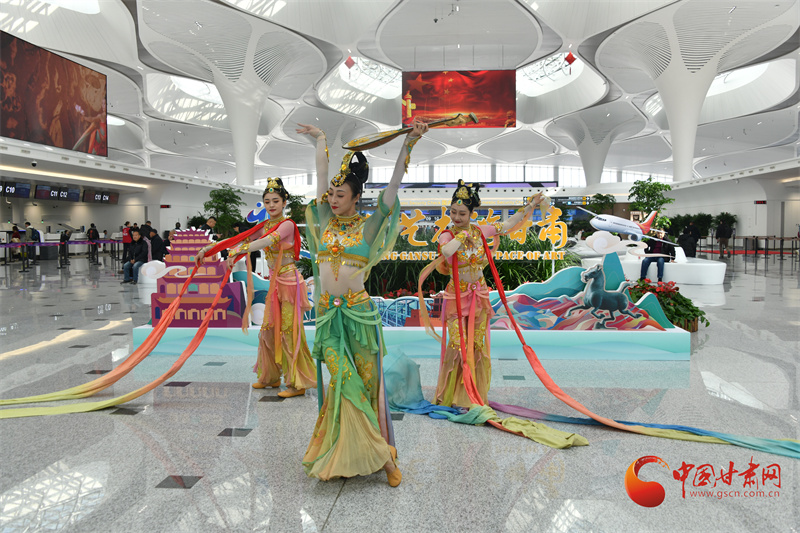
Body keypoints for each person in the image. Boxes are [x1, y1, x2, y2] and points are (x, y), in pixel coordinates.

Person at [296, 118, 429, 487]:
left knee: (368, 387)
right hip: (328, 317)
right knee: (343, 381)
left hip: (360, 317)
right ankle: (357, 453)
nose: (332, 199)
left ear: (357, 198)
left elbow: (392, 189)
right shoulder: (325, 221)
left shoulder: (368, 227)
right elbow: (321, 177)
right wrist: (320, 140)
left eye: (340, 195)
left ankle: (376, 453)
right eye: (331, 194)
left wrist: (409, 144)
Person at [427, 183, 548, 408]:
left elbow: (508, 225)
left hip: (479, 296)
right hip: (456, 298)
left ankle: (473, 395)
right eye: (453, 212)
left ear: (472, 213)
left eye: (462, 213)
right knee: (458, 345)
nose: (456, 217)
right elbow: (446, 251)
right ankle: (453, 396)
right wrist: (462, 236)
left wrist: (531, 205)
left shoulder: (480, 231)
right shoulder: (447, 235)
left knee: (475, 345)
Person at [204, 179, 317, 398]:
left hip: (289, 283)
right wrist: (212, 248)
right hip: (275, 283)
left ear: (284, 202)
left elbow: (264, 242)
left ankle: (297, 383)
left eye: (275, 201)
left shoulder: (287, 225)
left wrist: (238, 250)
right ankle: (270, 377)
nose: (271, 205)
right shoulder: (264, 226)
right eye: (267, 201)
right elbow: (241, 238)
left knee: (289, 332)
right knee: (267, 330)